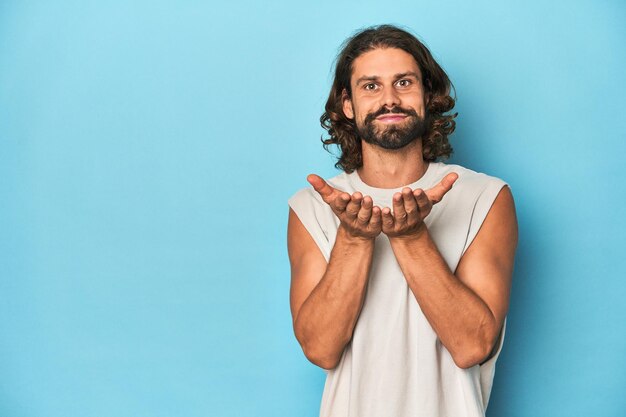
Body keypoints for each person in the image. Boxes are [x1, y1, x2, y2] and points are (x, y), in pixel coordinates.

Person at [287, 25, 517, 417]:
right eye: (371, 86)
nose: (389, 99)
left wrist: (411, 238)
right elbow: (320, 349)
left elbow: (472, 345)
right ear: (347, 104)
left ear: (428, 95)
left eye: (404, 82)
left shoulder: (486, 197)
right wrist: (355, 239)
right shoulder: (310, 207)